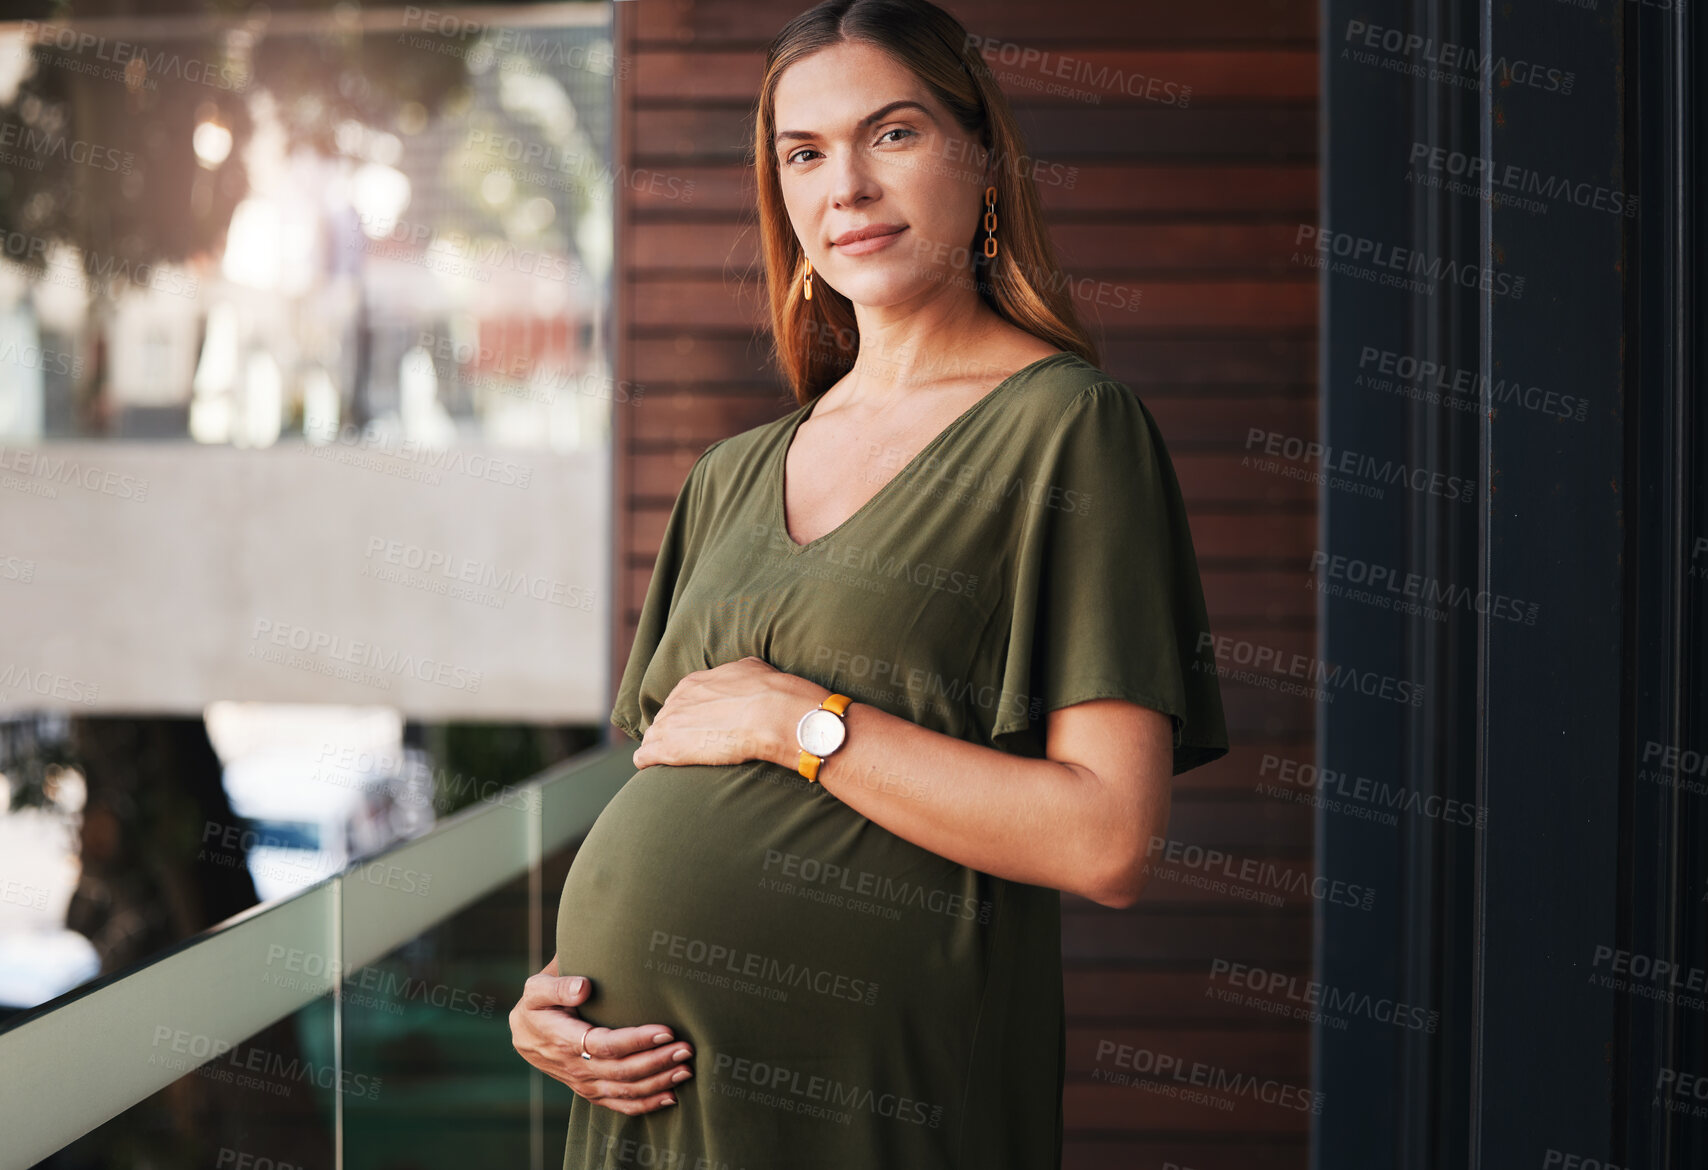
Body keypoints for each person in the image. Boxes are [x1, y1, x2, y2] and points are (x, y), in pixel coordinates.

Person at [509, 1, 1230, 1166]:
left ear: (980, 155)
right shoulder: (728, 476)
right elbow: (663, 792)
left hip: (868, 1116)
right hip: (645, 1122)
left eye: (889, 134)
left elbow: (1105, 837)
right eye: (803, 152)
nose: (843, 185)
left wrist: (795, 722)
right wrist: (549, 997)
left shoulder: (1068, 431)